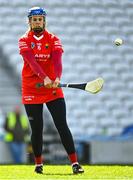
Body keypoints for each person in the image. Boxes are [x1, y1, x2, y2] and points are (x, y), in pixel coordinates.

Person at [18, 6, 85, 174]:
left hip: (51, 89)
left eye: (40, 19)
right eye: (34, 20)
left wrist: (57, 78)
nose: (37, 22)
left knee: (62, 125)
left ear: (44, 21)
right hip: (31, 88)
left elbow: (57, 61)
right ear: (30, 22)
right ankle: (38, 164)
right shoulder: (24, 40)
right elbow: (32, 63)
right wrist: (44, 78)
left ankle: (75, 163)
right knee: (37, 128)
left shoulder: (53, 39)